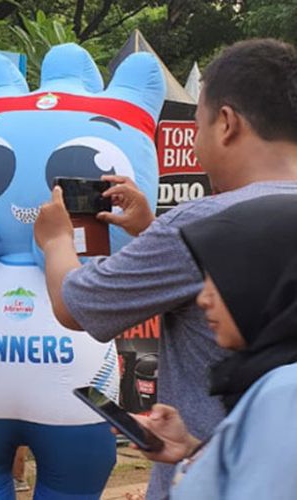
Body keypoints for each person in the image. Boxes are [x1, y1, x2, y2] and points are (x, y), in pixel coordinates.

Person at [34, 38, 297, 498]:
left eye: (197, 126)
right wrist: (150, 229)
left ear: (227, 123)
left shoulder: (201, 221)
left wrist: (56, 239)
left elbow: (76, 305)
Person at [130, 194, 297, 498]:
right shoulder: (276, 378)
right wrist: (195, 451)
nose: (203, 299)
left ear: (266, 281)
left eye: (218, 279)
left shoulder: (285, 393)